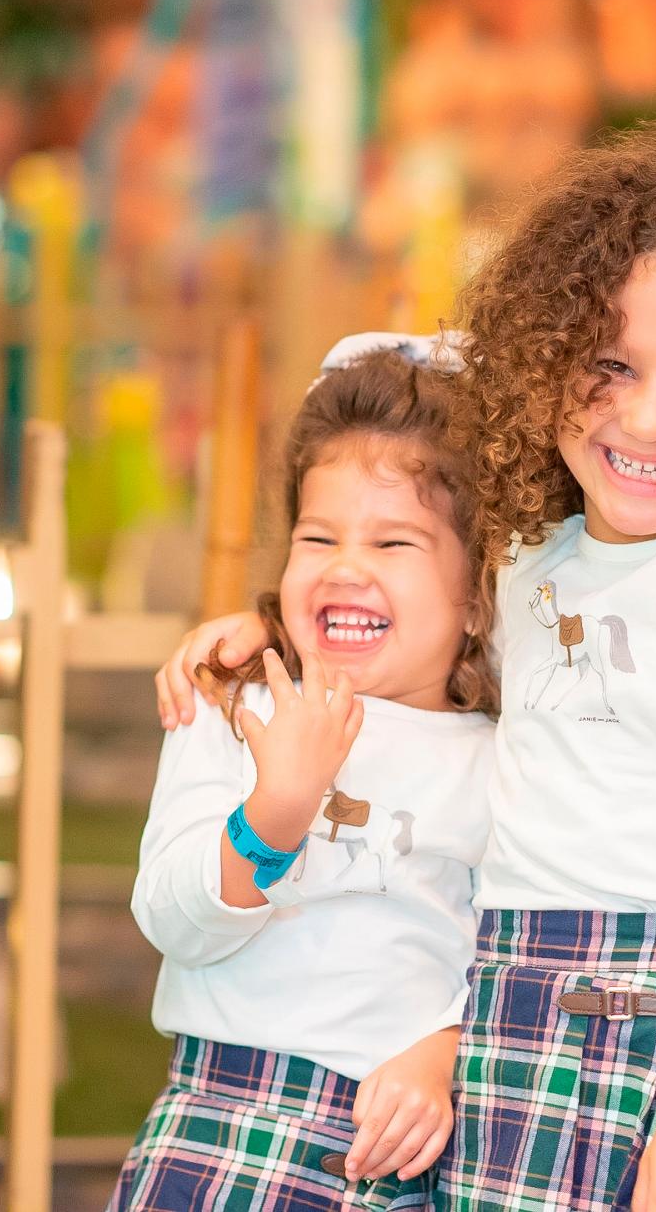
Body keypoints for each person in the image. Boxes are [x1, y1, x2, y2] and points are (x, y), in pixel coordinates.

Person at [157, 123, 656, 1211]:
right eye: (604, 366)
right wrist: (265, 625)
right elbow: (403, 602)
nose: (644, 416)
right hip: (507, 1017)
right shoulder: (537, 553)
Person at [114, 346, 497, 1211]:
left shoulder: (501, 759)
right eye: (317, 537)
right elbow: (173, 920)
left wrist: (441, 1053)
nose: (345, 565)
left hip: (402, 1155)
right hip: (220, 1131)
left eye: (395, 541)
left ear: (478, 593)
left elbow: (506, 959)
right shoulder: (237, 706)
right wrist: (275, 810)